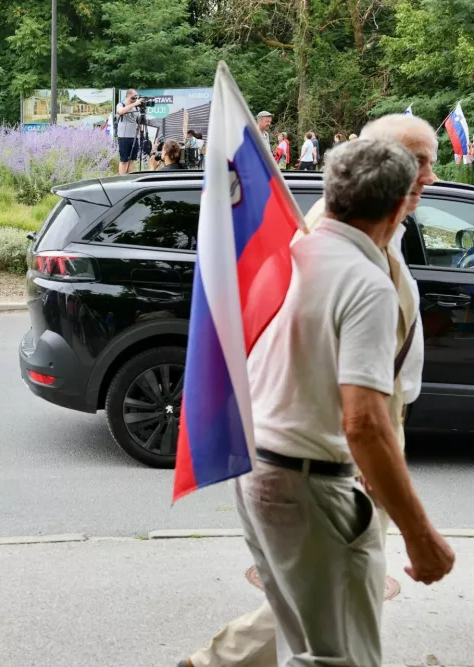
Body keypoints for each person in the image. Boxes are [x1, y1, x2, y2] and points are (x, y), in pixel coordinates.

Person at [181, 133, 451, 667]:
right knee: (339, 657)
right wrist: (423, 538)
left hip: (256, 466)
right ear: (399, 207)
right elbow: (367, 425)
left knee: (302, 645)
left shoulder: (290, 250)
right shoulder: (365, 282)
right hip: (306, 482)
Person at [116, 89, 146, 174]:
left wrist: (143, 112)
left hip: (134, 136)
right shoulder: (121, 104)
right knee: (124, 160)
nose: (135, 99)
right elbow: (121, 111)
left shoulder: (136, 107)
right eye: (134, 97)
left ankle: (130, 178)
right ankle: (122, 180)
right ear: (128, 96)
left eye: (136, 97)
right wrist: (134, 104)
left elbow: (139, 120)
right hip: (124, 137)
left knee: (132, 160)